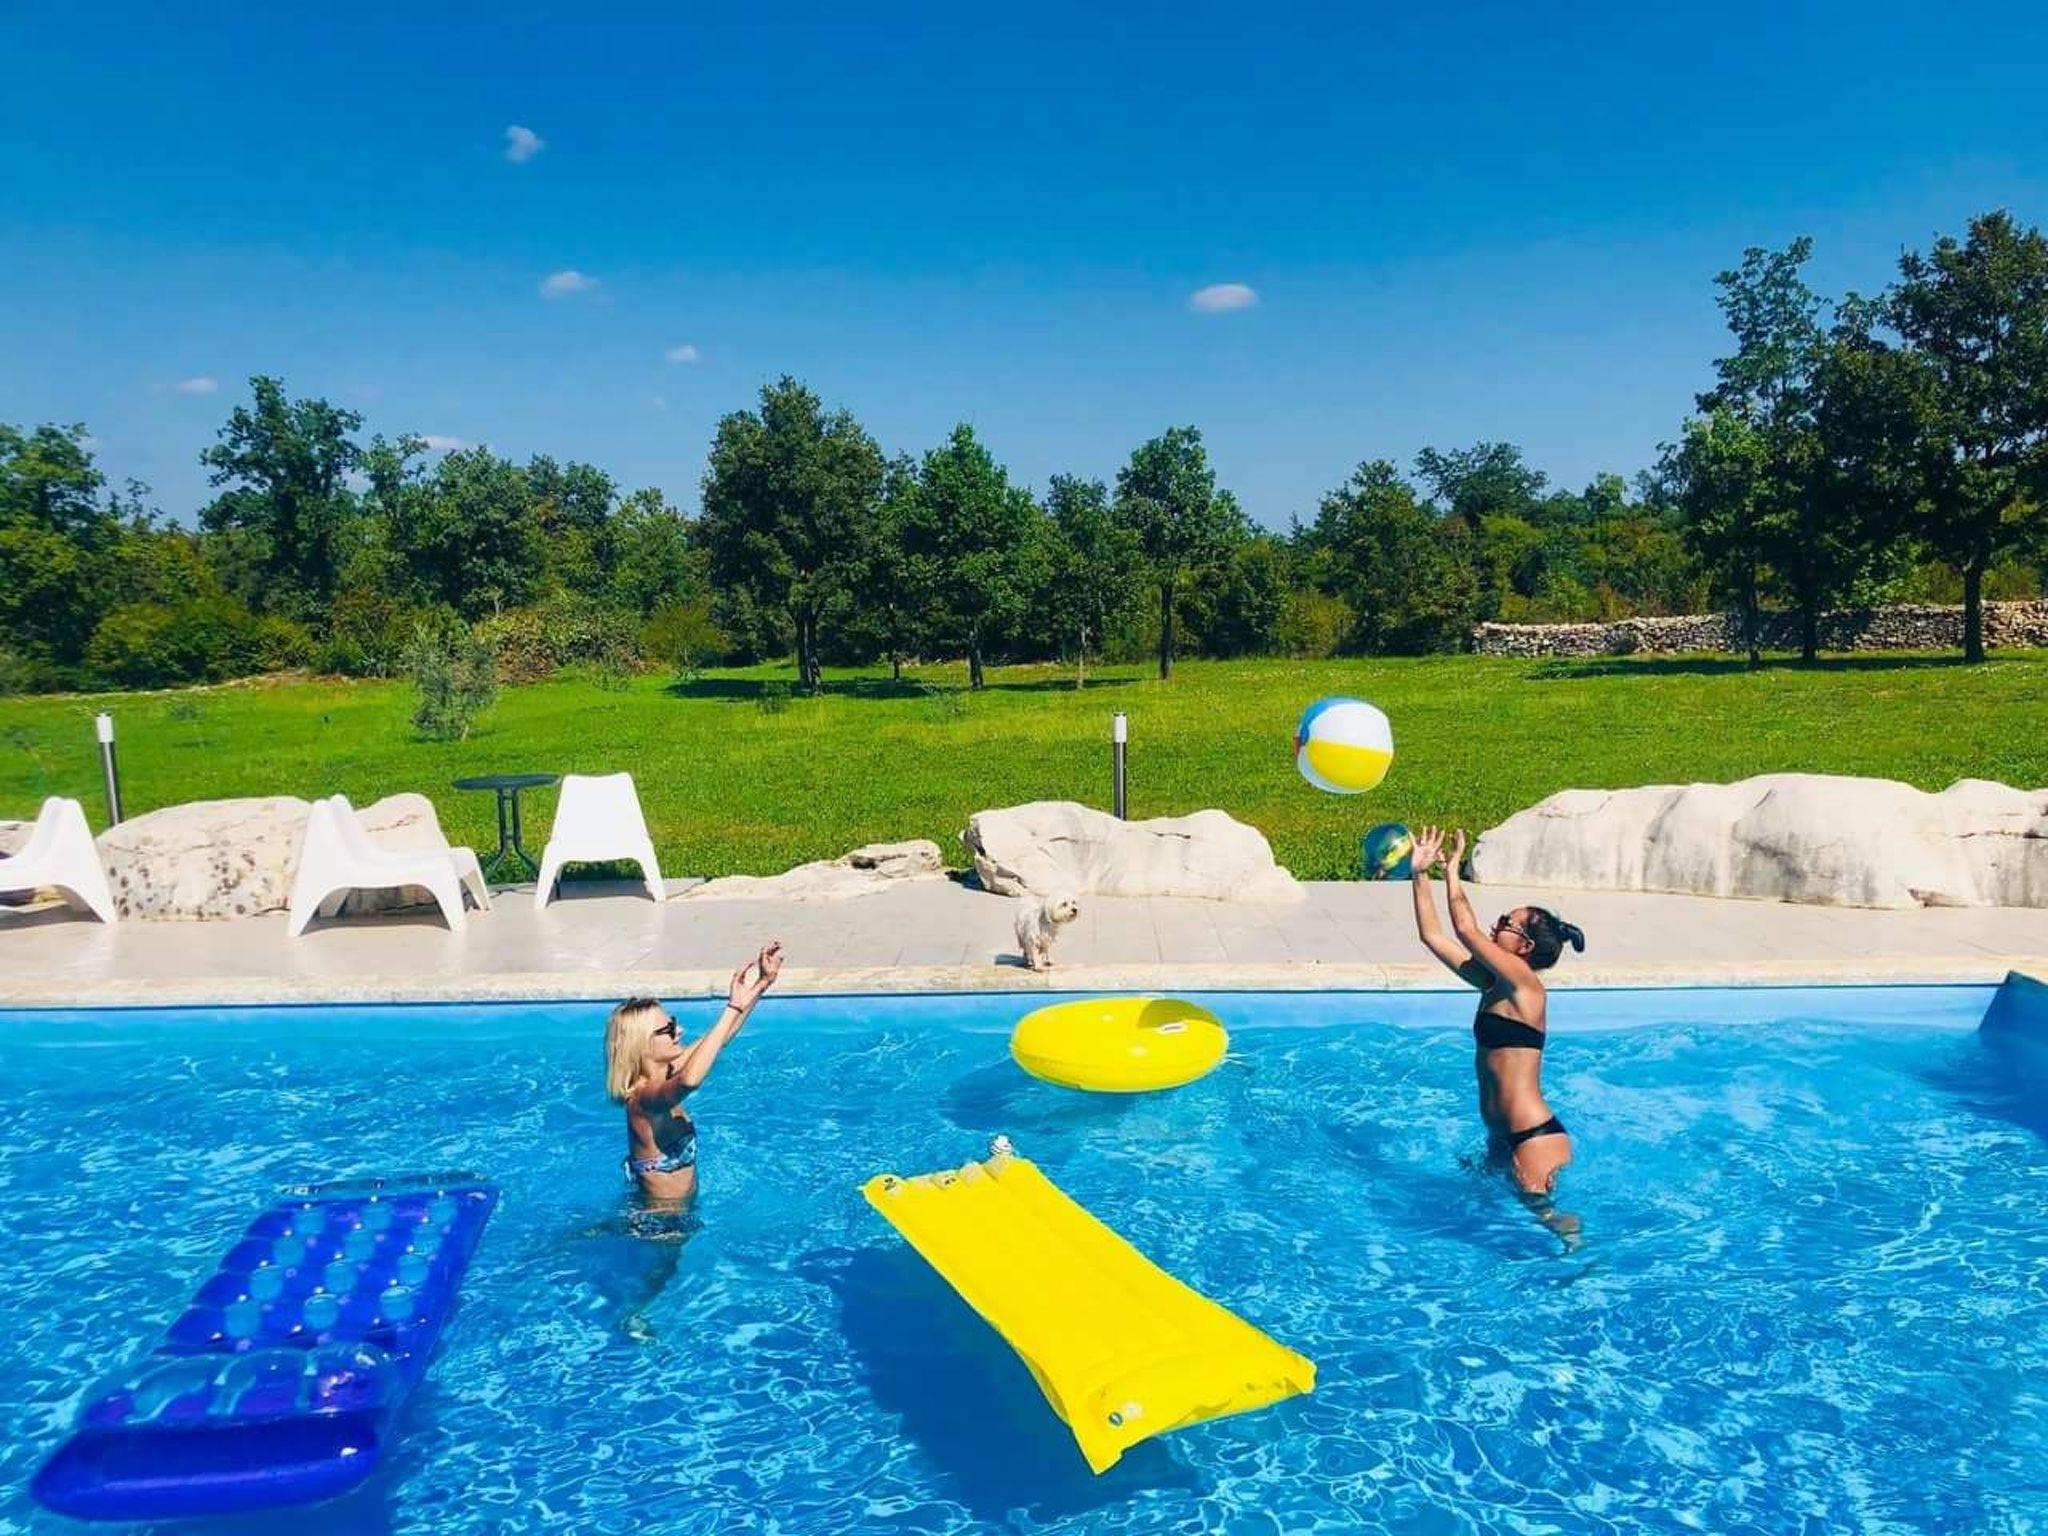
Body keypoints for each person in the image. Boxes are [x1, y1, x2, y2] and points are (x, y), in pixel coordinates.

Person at [1407, 827, 1585, 1225]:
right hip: (1501, 1138)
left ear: (1525, 947)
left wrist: (1452, 871)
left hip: (1533, 1137)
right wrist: (1419, 874)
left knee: (1550, 1220)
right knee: (1479, 1215)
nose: (1496, 924)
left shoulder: (1527, 987)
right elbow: (1432, 935)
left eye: (1507, 922)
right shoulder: (1492, 983)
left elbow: (1464, 930)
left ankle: (1589, 1256)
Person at [605, 941, 784, 1209]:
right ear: (641, 1046)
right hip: (660, 1223)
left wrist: (761, 985)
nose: (679, 1031)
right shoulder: (642, 1100)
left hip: (683, 1213)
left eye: (674, 1023)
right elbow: (689, 1081)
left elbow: (720, 1039)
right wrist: (732, 1008)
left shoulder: (666, 1072)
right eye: (668, 1029)